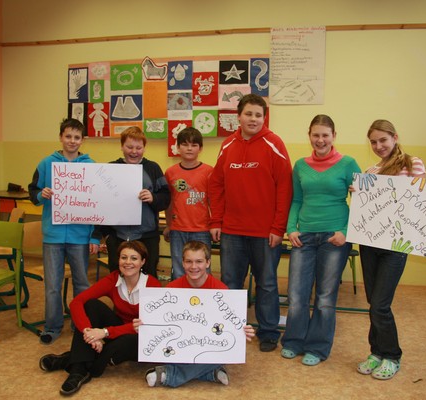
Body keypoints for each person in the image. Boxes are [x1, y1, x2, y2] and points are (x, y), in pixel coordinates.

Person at [355, 119, 426, 380]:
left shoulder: (413, 164)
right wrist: (357, 194)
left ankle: (392, 355)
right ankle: (376, 352)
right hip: (369, 244)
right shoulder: (370, 171)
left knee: (380, 304)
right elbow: (368, 207)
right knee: (373, 303)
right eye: (373, 142)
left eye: (383, 140)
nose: (379, 146)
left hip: (395, 247)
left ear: (395, 137)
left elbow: (423, 201)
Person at [208, 93, 293, 353]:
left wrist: (278, 228)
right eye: (249, 114)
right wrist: (216, 220)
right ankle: (232, 329)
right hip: (232, 230)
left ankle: (268, 332)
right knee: (231, 282)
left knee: (266, 283)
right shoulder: (227, 145)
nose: (253, 119)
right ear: (239, 116)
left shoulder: (274, 143)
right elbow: (216, 184)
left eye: (258, 115)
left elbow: (285, 188)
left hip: (265, 232)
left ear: (264, 118)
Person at [280, 114, 361, 366]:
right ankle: (294, 341)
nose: (320, 140)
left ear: (334, 136)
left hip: (334, 238)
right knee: (296, 294)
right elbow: (296, 200)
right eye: (316, 135)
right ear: (309, 136)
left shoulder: (348, 164)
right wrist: (291, 228)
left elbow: (363, 202)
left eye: (325, 135)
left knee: (325, 297)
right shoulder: (300, 165)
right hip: (303, 237)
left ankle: (317, 347)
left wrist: (346, 231)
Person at [38, 241, 162, 396]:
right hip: (118, 330)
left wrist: (104, 332)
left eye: (134, 258)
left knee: (121, 346)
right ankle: (78, 370)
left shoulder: (152, 285)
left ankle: (69, 359)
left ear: (142, 262)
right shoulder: (113, 279)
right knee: (91, 305)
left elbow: (146, 326)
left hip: (139, 337)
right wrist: (88, 332)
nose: (128, 262)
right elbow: (76, 302)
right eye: (123, 257)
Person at [141, 241, 255, 388]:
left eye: (199, 261)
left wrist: (242, 331)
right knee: (171, 352)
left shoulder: (221, 291)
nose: (194, 266)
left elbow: (228, 327)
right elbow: (161, 323)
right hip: (181, 345)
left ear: (208, 263)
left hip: (207, 343)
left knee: (224, 349)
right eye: (189, 261)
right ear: (183, 263)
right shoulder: (171, 289)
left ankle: (169, 375)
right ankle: (209, 372)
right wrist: (144, 325)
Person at [28, 118, 100, 345]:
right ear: (60, 137)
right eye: (68, 136)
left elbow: (97, 204)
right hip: (53, 235)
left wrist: (94, 236)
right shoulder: (46, 163)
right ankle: (52, 327)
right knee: (52, 285)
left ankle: (80, 324)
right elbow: (33, 194)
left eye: (77, 137)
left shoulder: (91, 166)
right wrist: (41, 195)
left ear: (82, 140)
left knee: (82, 284)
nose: (72, 141)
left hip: (80, 236)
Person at [96, 126, 170, 278]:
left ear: (144, 148)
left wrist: (153, 198)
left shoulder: (153, 168)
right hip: (117, 235)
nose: (134, 152)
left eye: (138, 148)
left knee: (148, 276)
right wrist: (107, 234)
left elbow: (166, 197)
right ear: (122, 146)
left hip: (147, 235)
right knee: (117, 276)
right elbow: (101, 202)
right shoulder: (111, 168)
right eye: (129, 147)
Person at [163, 127, 213, 280]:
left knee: (202, 270)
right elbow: (169, 202)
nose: (189, 148)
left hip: (202, 230)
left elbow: (213, 201)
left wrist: (215, 225)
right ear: (178, 147)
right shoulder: (170, 172)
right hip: (178, 229)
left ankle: (203, 296)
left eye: (194, 145)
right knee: (179, 270)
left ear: (200, 148)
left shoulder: (209, 171)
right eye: (185, 144)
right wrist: (169, 224)